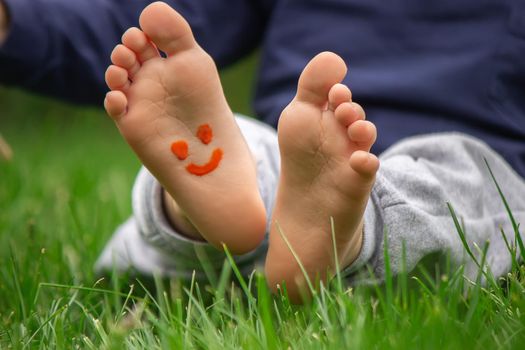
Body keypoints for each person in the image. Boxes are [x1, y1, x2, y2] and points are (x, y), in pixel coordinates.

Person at [1, 1, 524, 302]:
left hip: (428, 144)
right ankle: (230, 210)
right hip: (309, 146)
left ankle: (196, 219)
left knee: (452, 183)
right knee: (253, 153)